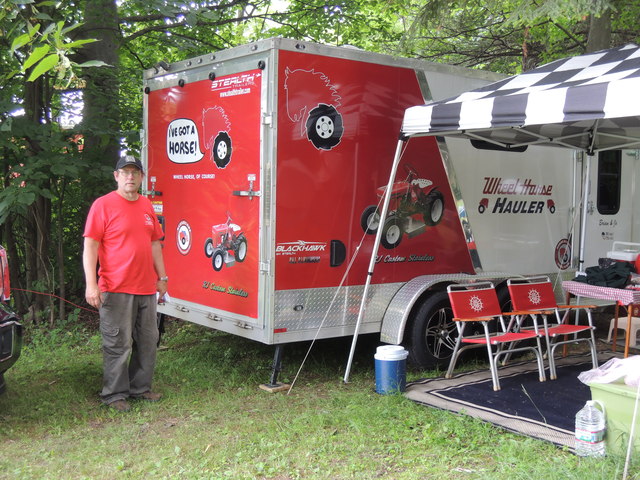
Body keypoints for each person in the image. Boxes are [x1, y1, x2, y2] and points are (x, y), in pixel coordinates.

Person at [83, 155, 168, 412]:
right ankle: (114, 394)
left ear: (141, 177)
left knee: (148, 340)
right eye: (125, 172)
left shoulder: (146, 204)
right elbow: (91, 246)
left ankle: (140, 388)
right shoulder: (103, 205)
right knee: (118, 344)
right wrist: (91, 285)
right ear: (116, 176)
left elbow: (154, 243)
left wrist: (162, 278)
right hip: (116, 287)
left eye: (135, 172)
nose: (130, 177)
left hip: (146, 287)